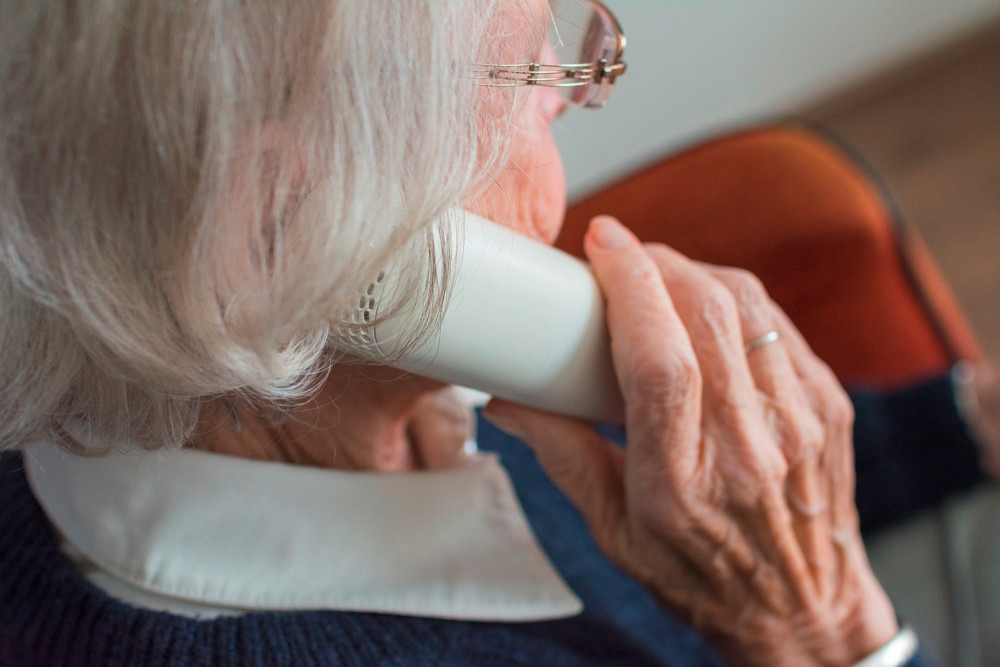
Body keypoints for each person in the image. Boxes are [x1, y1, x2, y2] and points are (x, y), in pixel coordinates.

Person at [2, 0, 995, 664]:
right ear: (282, 232)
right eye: (532, 75)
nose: (576, 94)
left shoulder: (395, 381)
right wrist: (825, 629)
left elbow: (693, 473)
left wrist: (957, 420)